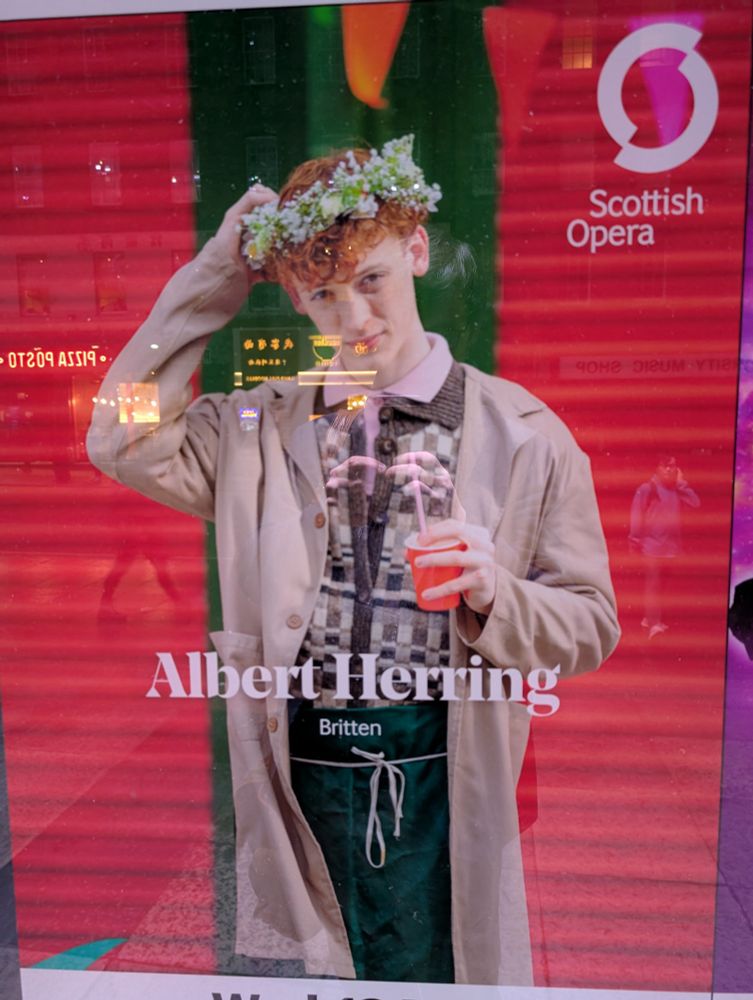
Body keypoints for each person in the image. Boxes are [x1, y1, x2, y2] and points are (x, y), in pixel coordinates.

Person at [87, 136, 620, 986]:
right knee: (299, 971)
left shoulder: (524, 434)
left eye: (370, 280)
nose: (355, 318)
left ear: (415, 252)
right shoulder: (258, 431)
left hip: (443, 771)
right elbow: (119, 435)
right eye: (323, 295)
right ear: (297, 298)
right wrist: (215, 278)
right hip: (292, 775)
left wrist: (495, 594)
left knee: (436, 967)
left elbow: (590, 627)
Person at [629, 455, 700, 639]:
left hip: (671, 550)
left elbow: (695, 503)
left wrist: (682, 483)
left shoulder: (676, 489)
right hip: (651, 548)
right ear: (656, 467)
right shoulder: (647, 488)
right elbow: (636, 516)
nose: (669, 469)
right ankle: (653, 624)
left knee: (661, 587)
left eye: (673, 466)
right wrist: (634, 541)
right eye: (665, 465)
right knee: (653, 587)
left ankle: (649, 618)